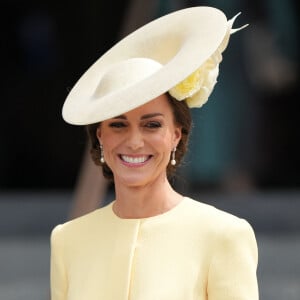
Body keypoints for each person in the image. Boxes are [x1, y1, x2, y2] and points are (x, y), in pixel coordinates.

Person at [50, 6, 259, 300]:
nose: (134, 142)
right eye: (118, 125)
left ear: (176, 134)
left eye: (151, 125)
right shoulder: (67, 240)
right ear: (100, 136)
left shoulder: (223, 235)